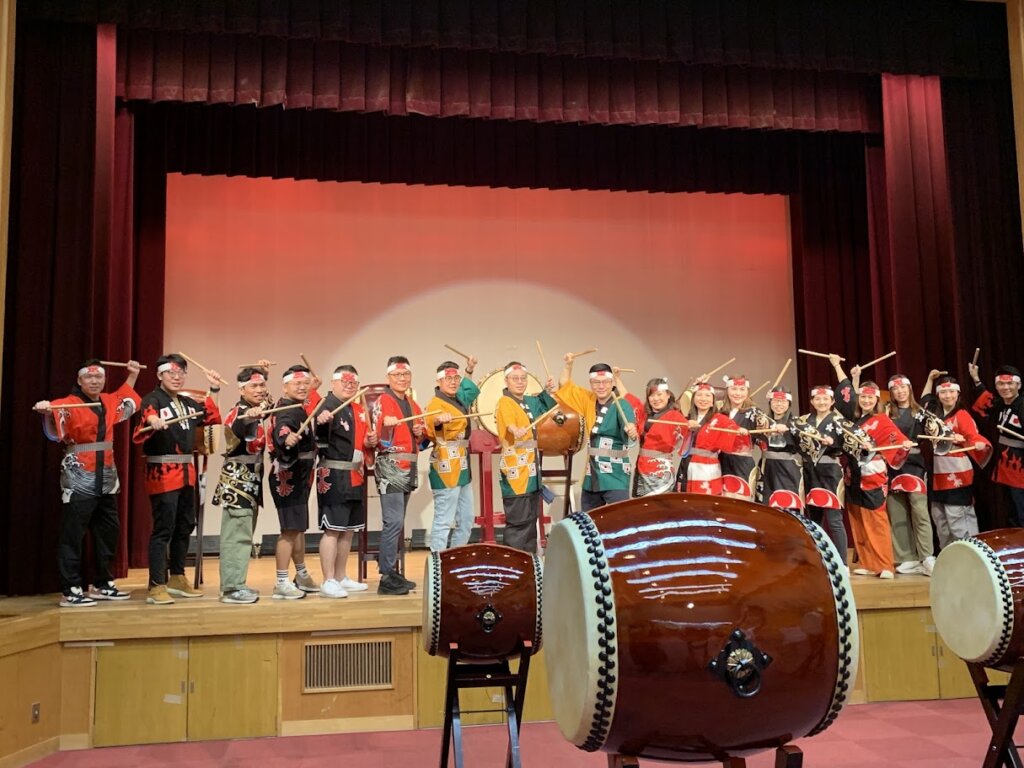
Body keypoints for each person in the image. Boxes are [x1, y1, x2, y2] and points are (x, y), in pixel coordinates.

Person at [34, 358, 142, 606]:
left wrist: (133, 375)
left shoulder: (107, 400)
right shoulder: (68, 403)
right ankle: (70, 588)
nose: (94, 381)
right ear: (79, 380)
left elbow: (126, 398)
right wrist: (46, 410)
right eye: (89, 377)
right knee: (73, 531)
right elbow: (53, 425)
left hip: (107, 474)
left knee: (108, 530)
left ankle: (103, 583)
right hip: (79, 472)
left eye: (99, 377)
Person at [134, 353, 222, 605]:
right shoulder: (153, 399)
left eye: (181, 373)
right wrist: (154, 421)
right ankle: (156, 584)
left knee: (185, 525)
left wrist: (214, 388)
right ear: (160, 375)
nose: (176, 377)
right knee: (164, 528)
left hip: (186, 472)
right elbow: (148, 414)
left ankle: (177, 577)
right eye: (171, 373)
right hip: (162, 471)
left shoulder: (187, 403)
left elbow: (211, 417)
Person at [840, 378, 914, 580]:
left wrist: (904, 444)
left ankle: (884, 564)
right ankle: (866, 562)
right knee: (858, 518)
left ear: (877, 400)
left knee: (876, 520)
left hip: (872, 474)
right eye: (863, 397)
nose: (866, 401)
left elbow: (897, 439)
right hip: (853, 474)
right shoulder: (854, 421)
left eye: (870, 398)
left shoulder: (882, 420)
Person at [314, 365, 377, 598]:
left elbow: (361, 443)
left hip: (355, 474)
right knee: (332, 529)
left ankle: (341, 576)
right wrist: (321, 422)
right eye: (344, 382)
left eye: (353, 383)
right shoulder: (325, 406)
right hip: (334, 474)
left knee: (348, 530)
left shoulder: (357, 409)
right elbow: (318, 436)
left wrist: (370, 441)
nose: (349, 386)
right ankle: (328, 580)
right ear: (333, 383)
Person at [211, 365, 272, 605]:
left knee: (245, 534)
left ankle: (238, 582)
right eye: (253, 386)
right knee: (236, 536)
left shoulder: (256, 409)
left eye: (262, 385)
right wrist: (251, 416)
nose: (259, 390)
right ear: (241, 389)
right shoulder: (239, 413)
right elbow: (240, 427)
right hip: (237, 483)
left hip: (251, 482)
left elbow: (268, 405)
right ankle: (231, 588)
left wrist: (264, 373)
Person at [267, 365, 321, 600]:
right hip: (287, 476)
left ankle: (301, 574)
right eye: (297, 383)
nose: (302, 387)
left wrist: (314, 389)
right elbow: (283, 427)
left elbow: (312, 403)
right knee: (290, 529)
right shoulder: (286, 409)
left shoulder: (300, 406)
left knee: (298, 527)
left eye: (305, 383)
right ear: (285, 387)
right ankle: (281, 581)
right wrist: (286, 437)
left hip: (301, 474)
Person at [557, 354, 638, 511]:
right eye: (596, 382)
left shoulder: (622, 403)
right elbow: (565, 385)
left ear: (611, 382)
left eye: (605, 382)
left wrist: (631, 430)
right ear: (591, 383)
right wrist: (568, 365)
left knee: (620, 515)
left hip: (615, 473)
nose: (601, 386)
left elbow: (629, 427)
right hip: (592, 472)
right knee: (589, 517)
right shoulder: (588, 399)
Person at [372, 356, 424, 595]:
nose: (402, 379)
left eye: (406, 375)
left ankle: (391, 571)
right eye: (397, 375)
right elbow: (377, 437)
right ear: (388, 377)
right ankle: (386, 575)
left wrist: (419, 431)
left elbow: (420, 438)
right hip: (391, 465)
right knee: (392, 521)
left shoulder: (412, 403)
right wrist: (386, 426)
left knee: (398, 521)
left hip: (408, 465)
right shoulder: (383, 400)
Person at [922, 372, 993, 546]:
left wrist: (978, 443)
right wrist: (929, 380)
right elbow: (924, 400)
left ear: (958, 393)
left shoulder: (962, 415)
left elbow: (973, 436)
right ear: (938, 394)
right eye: (943, 392)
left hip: (956, 474)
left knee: (958, 520)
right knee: (941, 521)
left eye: (952, 392)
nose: (948, 396)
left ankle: (970, 555)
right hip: (936, 473)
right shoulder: (933, 413)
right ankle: (949, 557)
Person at [494, 362, 557, 552]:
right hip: (516, 470)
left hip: (530, 469)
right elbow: (509, 423)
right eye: (515, 378)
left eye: (523, 378)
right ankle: (514, 563)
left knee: (530, 520)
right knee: (518, 521)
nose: (520, 382)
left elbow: (547, 406)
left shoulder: (529, 401)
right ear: (506, 381)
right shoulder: (505, 402)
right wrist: (515, 429)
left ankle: (530, 562)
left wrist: (547, 390)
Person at [424, 357, 480, 552]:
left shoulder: (458, 399)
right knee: (444, 520)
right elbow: (431, 422)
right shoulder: (435, 404)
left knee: (466, 520)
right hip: (445, 466)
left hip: (463, 466)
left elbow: (467, 390)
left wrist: (469, 370)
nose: (453, 382)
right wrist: (439, 420)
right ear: (439, 381)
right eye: (448, 379)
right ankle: (438, 563)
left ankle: (456, 559)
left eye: (456, 378)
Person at [884, 374, 938, 576]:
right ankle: (906, 557)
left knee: (920, 511)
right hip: (892, 465)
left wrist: (935, 430)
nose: (900, 392)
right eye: (895, 389)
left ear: (909, 389)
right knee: (897, 512)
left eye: (903, 388)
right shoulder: (887, 413)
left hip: (915, 464)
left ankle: (927, 556)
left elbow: (936, 432)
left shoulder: (921, 412)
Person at [793, 383, 850, 565]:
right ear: (811, 401)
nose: (822, 402)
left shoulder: (840, 421)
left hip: (830, 471)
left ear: (832, 401)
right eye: (818, 398)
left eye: (826, 399)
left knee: (834, 520)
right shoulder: (804, 421)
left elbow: (849, 445)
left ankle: (842, 563)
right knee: (814, 519)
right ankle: (818, 559)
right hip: (810, 470)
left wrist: (834, 442)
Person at [970, 362, 1024, 527]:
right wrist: (976, 379)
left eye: (1010, 383)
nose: (1005, 387)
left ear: (1018, 385)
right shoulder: (1001, 404)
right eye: (1001, 384)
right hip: (1005, 463)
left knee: (1021, 508)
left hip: (1020, 465)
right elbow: (986, 400)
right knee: (1011, 509)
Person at [675, 380, 742, 495]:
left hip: (707, 466)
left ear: (713, 402)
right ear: (693, 399)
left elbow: (732, 427)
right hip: (687, 462)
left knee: (705, 499)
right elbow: (675, 410)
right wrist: (686, 425)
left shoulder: (719, 418)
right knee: (685, 497)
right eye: (699, 395)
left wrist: (739, 430)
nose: (703, 399)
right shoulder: (687, 418)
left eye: (707, 396)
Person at [632, 377, 689, 497]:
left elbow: (687, 427)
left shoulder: (675, 416)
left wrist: (690, 424)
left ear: (668, 395)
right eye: (652, 395)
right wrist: (617, 379)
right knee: (641, 504)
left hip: (661, 469)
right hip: (642, 465)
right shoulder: (645, 414)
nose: (656, 398)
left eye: (659, 394)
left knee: (660, 504)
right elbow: (630, 399)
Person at [754, 386, 804, 513]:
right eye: (776, 401)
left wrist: (788, 429)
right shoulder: (763, 421)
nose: (779, 404)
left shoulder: (797, 423)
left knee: (788, 507)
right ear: (770, 402)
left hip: (788, 468)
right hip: (766, 467)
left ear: (789, 403)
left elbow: (807, 442)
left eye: (783, 401)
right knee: (765, 508)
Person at [718, 375, 765, 500]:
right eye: (734, 389)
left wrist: (767, 424)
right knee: (722, 500)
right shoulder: (720, 411)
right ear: (727, 390)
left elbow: (765, 423)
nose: (737, 393)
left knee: (741, 501)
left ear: (747, 392)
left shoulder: (754, 412)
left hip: (742, 462)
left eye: (742, 389)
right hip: (721, 460)